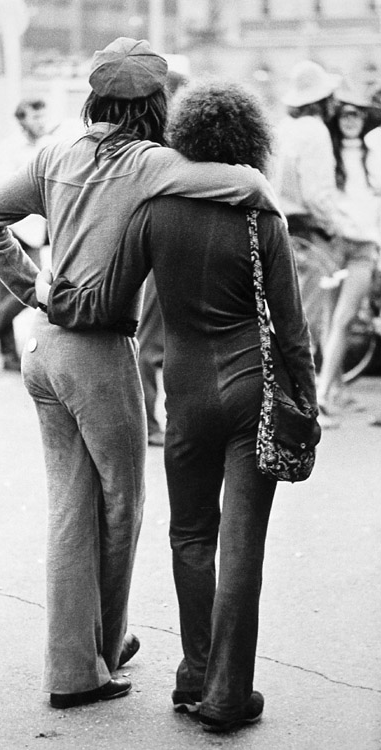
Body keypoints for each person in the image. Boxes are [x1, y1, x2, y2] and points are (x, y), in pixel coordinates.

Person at [0, 37, 283, 710]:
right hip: (99, 353)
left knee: (69, 509)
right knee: (119, 510)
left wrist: (35, 289)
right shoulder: (153, 165)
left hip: (44, 348)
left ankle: (78, 658)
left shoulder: (54, 152)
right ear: (155, 103)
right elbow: (248, 185)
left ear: (95, 97)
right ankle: (97, 656)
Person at [36, 81, 318, 732]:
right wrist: (303, 400)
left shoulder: (153, 209)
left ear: (182, 138)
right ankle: (226, 694)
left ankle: (192, 673)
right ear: (250, 139)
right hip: (252, 388)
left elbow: (107, 299)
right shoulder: (259, 210)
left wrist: (48, 300)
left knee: (191, 534)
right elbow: (292, 329)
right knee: (242, 544)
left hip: (186, 390)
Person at [273, 60, 347, 363]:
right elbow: (318, 194)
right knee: (306, 320)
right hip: (308, 232)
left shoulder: (284, 128)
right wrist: (336, 227)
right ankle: (298, 391)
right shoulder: (315, 132)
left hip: (280, 228)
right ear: (322, 100)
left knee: (283, 313)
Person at [0, 99, 50, 372]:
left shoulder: (46, 145)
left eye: (43, 117)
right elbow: (0, 192)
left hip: (35, 227)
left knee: (19, 292)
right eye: (34, 118)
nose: (40, 123)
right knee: (27, 289)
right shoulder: (8, 149)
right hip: (11, 228)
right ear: (21, 120)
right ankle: (3, 348)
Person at [316, 88, 381, 425]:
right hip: (335, 243)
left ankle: (323, 395)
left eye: (357, 115)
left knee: (343, 320)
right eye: (346, 115)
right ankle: (332, 390)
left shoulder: (374, 152)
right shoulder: (330, 153)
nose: (352, 121)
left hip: (364, 247)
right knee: (328, 321)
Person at [137, 67, 188, 447]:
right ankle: (152, 424)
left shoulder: (155, 142)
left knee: (156, 342)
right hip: (165, 249)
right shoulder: (164, 145)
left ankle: (160, 422)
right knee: (154, 343)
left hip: (164, 247)